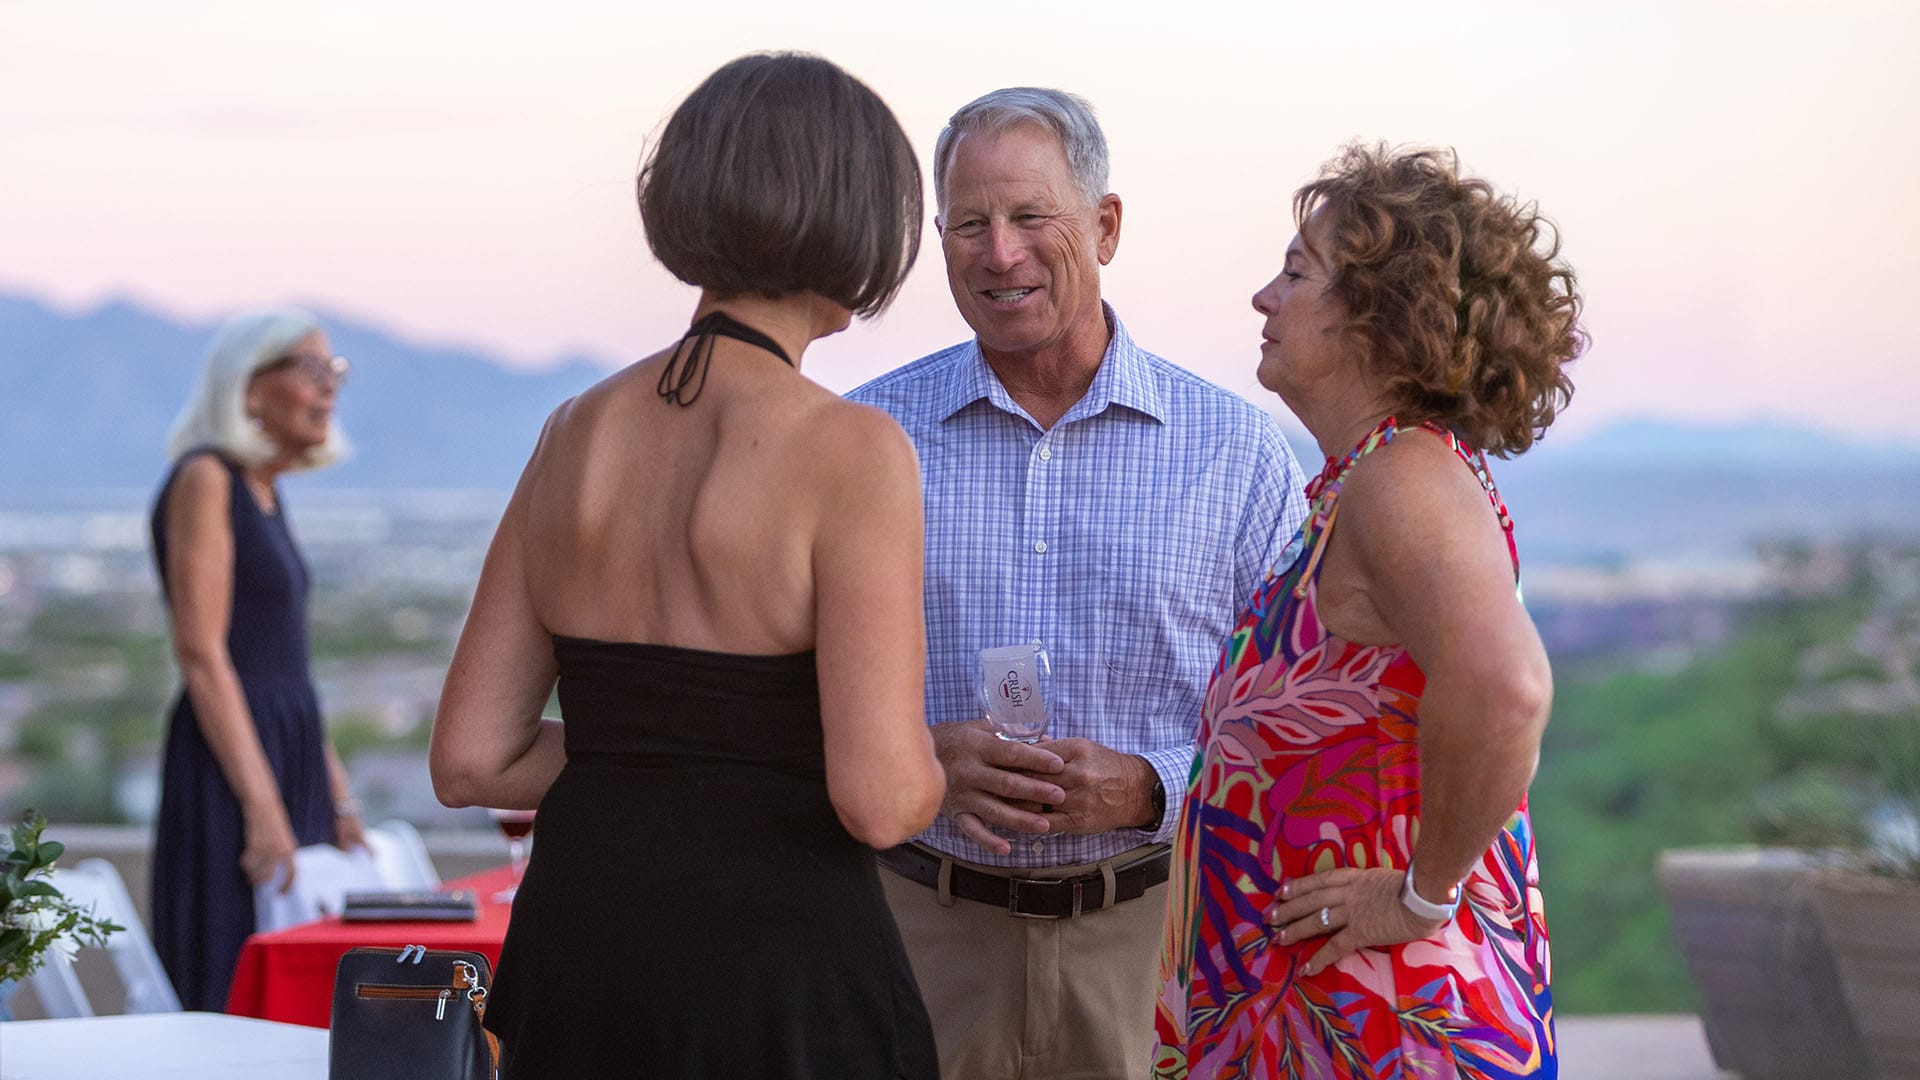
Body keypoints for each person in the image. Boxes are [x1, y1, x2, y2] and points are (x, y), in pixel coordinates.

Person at [428, 53, 946, 1078]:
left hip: (579, 950)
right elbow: (882, 800)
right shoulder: (852, 450)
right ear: (852, 217)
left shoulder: (573, 431)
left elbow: (472, 759)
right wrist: (932, 766)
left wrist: (650, 755)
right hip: (776, 970)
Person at [847, 88, 1308, 1079]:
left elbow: (1296, 723)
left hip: (1157, 939)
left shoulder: (1236, 453)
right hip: (918, 937)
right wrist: (916, 759)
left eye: (1030, 216)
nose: (999, 252)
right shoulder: (865, 438)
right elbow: (785, 691)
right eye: (969, 224)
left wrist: (1149, 788)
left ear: (1105, 227)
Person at [1154, 144, 1586, 1078]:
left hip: (1385, 1027)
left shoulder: (1402, 479)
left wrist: (1421, 897)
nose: (1263, 298)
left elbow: (1507, 688)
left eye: (1295, 273)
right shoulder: (1364, 482)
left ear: (1380, 316)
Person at [149, 308, 365, 1011]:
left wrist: (338, 797)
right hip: (234, 765)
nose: (328, 386)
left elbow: (289, 665)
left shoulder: (264, 491)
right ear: (247, 387)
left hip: (285, 750)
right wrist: (262, 805)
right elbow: (202, 653)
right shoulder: (206, 478)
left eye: (334, 370)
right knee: (229, 981)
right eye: (309, 367)